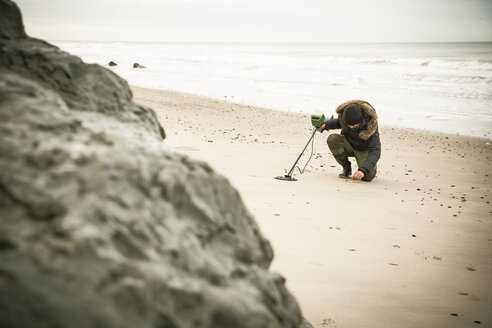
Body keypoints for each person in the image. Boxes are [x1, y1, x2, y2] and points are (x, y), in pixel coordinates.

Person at [317, 100, 381, 182]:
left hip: (363, 150)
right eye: (348, 125)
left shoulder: (370, 124)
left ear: (361, 121)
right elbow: (338, 122)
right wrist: (325, 125)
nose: (351, 127)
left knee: (367, 177)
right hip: (349, 144)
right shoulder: (344, 115)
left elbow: (375, 151)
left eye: (354, 125)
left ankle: (363, 167)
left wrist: (363, 170)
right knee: (333, 139)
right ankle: (346, 167)